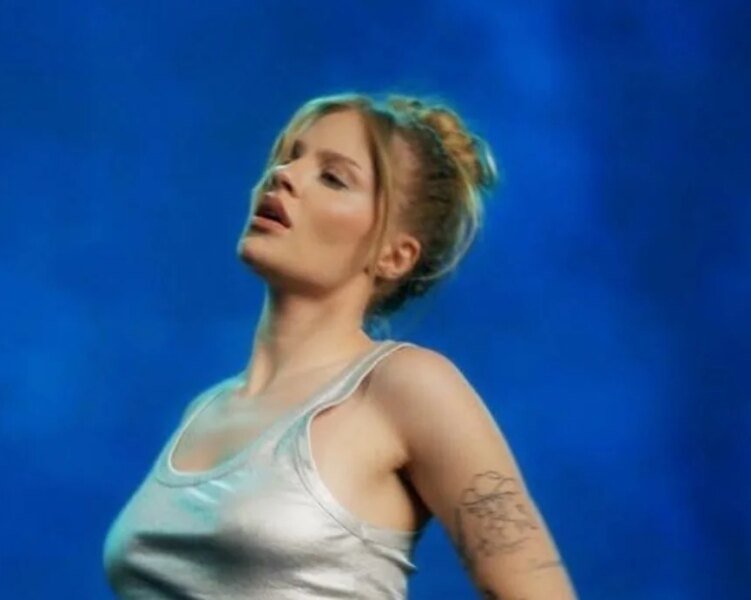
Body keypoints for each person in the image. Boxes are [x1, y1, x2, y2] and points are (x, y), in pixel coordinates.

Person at [102, 92, 577, 599]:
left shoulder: (407, 387)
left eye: (332, 177)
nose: (283, 175)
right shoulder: (206, 410)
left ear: (394, 255)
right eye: (289, 156)